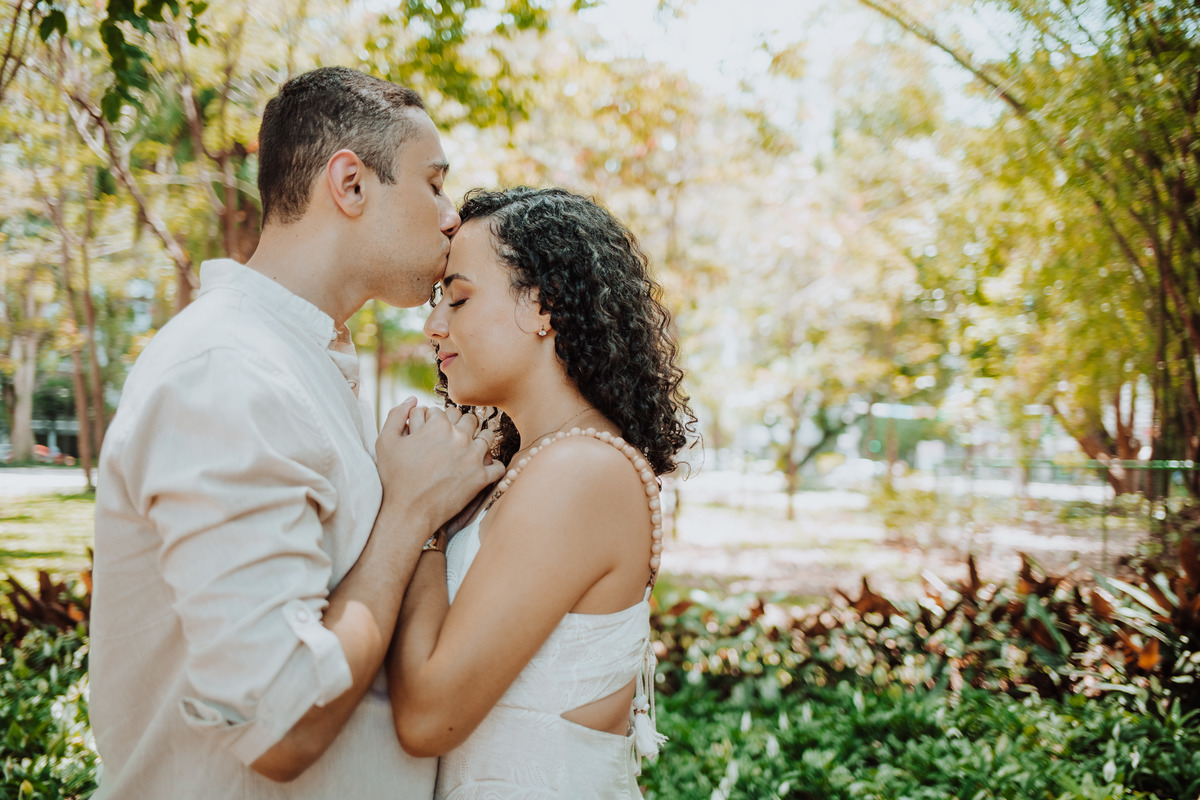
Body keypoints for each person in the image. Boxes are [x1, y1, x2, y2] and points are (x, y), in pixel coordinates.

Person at [89, 67, 504, 799]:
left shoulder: (299, 361)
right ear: (350, 184)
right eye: (434, 183)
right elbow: (280, 725)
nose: (451, 218)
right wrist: (410, 514)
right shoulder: (229, 372)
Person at [387, 187, 695, 798]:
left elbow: (427, 718)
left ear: (544, 306)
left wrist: (421, 515)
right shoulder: (530, 464)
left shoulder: (581, 471)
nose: (433, 326)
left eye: (459, 298)